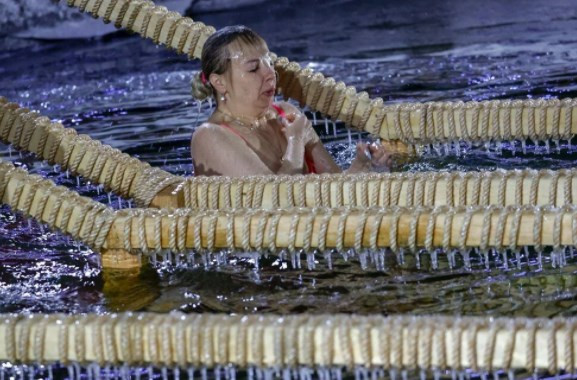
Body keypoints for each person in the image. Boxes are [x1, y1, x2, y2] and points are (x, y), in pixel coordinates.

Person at [190, 25, 391, 177]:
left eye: (269, 63)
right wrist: (295, 142)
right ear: (219, 82)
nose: (270, 74)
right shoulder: (210, 136)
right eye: (253, 69)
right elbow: (272, 205)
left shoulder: (286, 114)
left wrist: (366, 168)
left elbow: (335, 186)